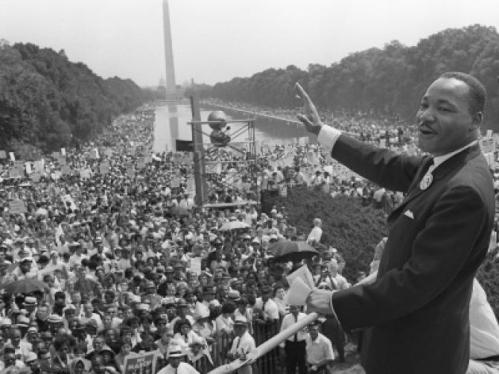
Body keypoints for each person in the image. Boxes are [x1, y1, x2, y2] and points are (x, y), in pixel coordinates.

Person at [297, 72, 495, 374]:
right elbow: (385, 163)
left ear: (475, 119)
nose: (426, 116)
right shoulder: (443, 163)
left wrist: (336, 302)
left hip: (418, 353)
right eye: (424, 105)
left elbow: (416, 282)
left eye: (444, 108)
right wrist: (323, 132)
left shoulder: (464, 189)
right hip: (409, 343)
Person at [279, 305, 307, 374]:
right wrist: (282, 346)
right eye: (292, 309)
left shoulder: (304, 316)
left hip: (302, 343)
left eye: (295, 308)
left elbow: (308, 330)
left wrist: (303, 329)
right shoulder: (286, 318)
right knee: (290, 364)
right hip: (290, 344)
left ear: (299, 308)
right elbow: (282, 332)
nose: (294, 310)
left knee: (302, 364)